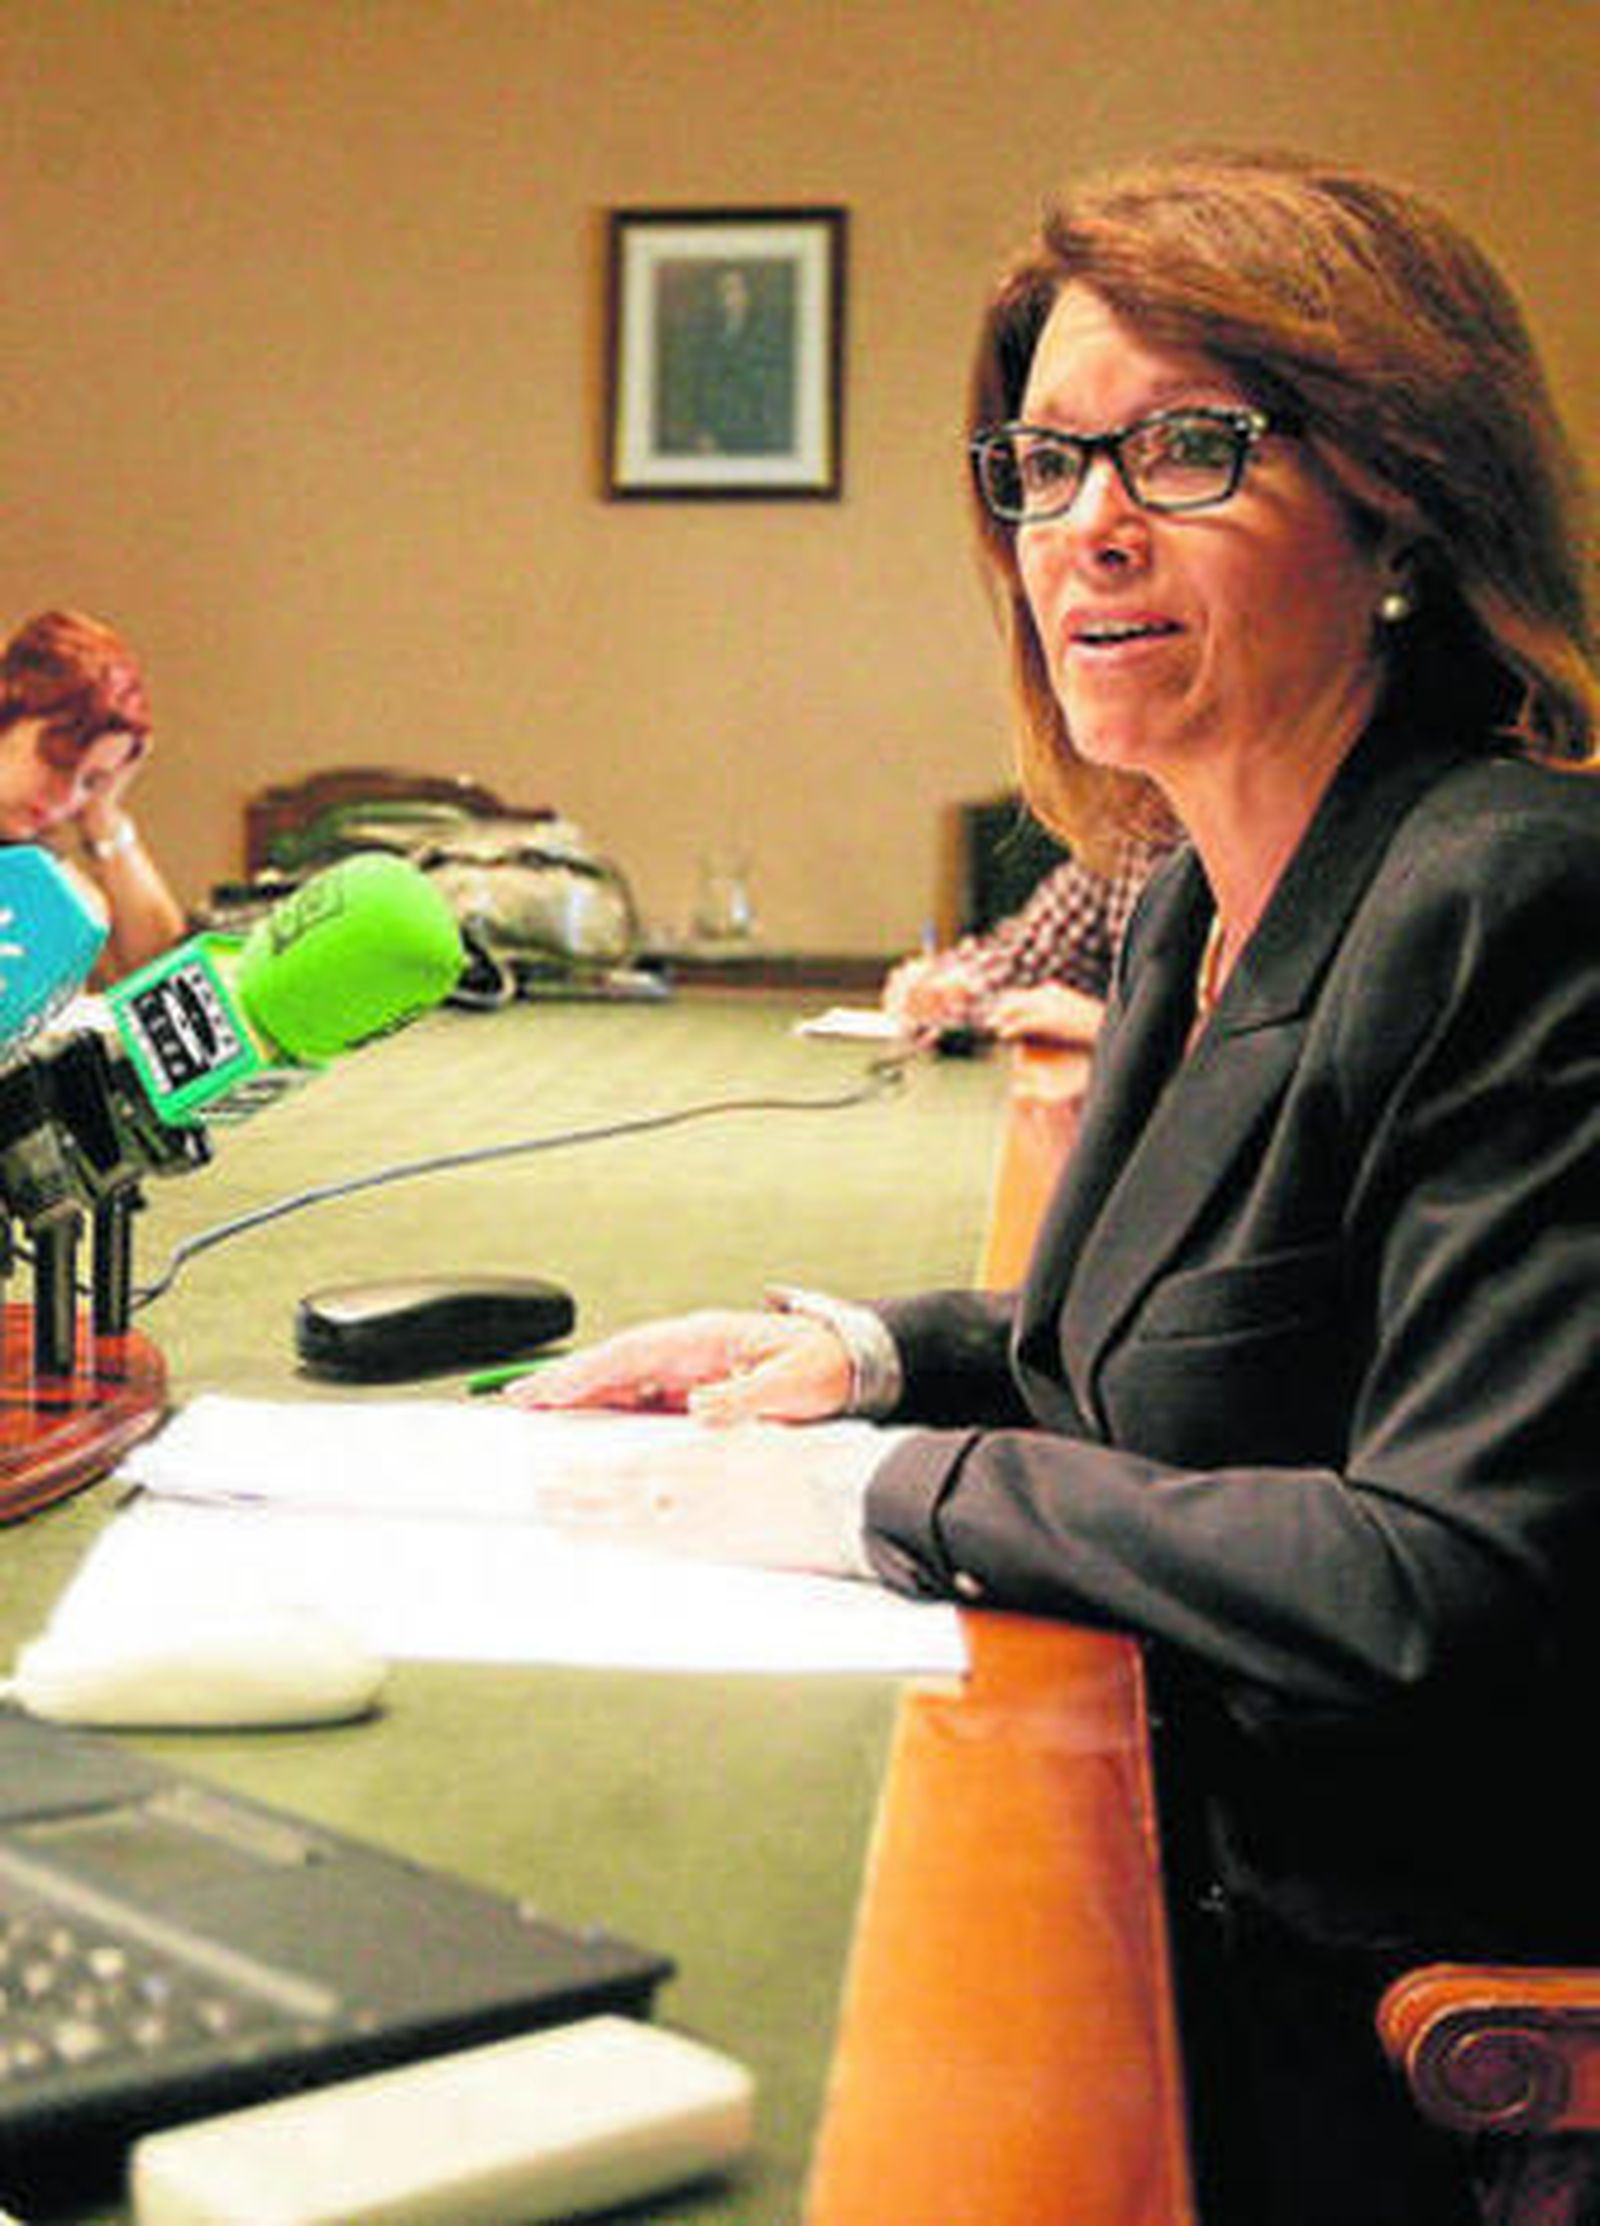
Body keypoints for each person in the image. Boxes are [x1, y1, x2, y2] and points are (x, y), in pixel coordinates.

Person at [509, 150, 1598, 2225]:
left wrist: (891, 1494)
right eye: (1042, 465)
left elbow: (1442, 1576)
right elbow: (1205, 1337)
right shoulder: (1198, 884)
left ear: (1398, 505)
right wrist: (858, 1357)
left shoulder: (1520, 896)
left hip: (1381, 2012)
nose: (1085, 526)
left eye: (1185, 450)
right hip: (1193, 1838)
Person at [0, 609, 186, 979]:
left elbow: (162, 972)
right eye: (57, 761)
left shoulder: (29, 863)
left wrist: (103, 815)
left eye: (91, 781)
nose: (66, 797)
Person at [880, 831, 1173, 1047]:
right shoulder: (1134, 836)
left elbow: (1199, 1055)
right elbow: (1027, 955)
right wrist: (948, 987)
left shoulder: (1191, 838)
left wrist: (1104, 1028)